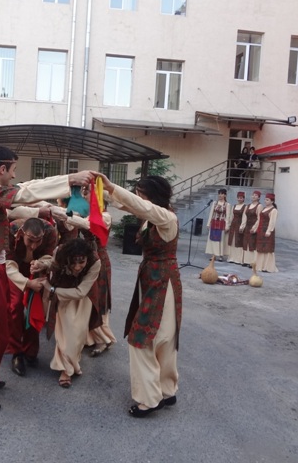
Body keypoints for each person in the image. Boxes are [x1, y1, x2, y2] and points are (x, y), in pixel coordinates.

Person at [0, 145, 93, 412]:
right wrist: (69, 180)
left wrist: (40, 212)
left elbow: (19, 199)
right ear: (2, 169)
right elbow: (26, 192)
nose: (13, 175)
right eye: (12, 170)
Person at [95, 173, 182, 418]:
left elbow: (139, 206)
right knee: (163, 336)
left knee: (142, 338)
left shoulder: (165, 216)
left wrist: (111, 186)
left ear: (152, 197)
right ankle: (166, 389)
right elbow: (130, 205)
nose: (137, 198)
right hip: (154, 279)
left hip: (162, 282)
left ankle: (150, 399)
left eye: (141, 194)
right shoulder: (153, 215)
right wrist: (101, 192)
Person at [62, 185, 116, 357]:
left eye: (87, 193)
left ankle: (103, 339)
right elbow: (72, 223)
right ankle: (90, 337)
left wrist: (65, 214)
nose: (84, 195)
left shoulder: (105, 216)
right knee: (88, 299)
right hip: (87, 260)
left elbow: (87, 224)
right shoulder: (86, 214)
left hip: (100, 259)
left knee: (99, 298)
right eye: (84, 192)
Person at [41, 238, 101, 388]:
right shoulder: (60, 253)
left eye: (82, 262)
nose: (77, 267)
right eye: (73, 263)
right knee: (66, 333)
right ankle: (66, 370)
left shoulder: (95, 262)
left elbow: (81, 292)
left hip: (84, 296)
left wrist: (51, 289)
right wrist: (41, 265)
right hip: (64, 292)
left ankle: (72, 360)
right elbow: (53, 264)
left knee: (78, 333)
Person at [6, 217, 57, 376]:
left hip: (37, 269)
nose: (34, 246)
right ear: (22, 234)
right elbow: (8, 264)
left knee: (35, 308)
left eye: (38, 241)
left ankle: (30, 350)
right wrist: (27, 283)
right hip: (14, 269)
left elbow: (50, 257)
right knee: (15, 306)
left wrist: (42, 264)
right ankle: (16, 352)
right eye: (30, 241)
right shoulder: (10, 230)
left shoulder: (50, 232)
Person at [204, 188, 231, 262]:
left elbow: (228, 216)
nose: (220, 195)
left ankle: (221, 255)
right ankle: (214, 255)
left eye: (222, 194)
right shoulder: (215, 203)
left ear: (225, 195)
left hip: (222, 223)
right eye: (219, 194)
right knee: (213, 239)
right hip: (214, 222)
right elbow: (211, 213)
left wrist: (227, 226)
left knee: (221, 240)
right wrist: (208, 223)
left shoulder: (227, 205)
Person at [254, 193, 279, 272]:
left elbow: (272, 222)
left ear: (272, 201)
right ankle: (259, 265)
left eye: (267, 200)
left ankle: (267, 267)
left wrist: (269, 231)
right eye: (265, 199)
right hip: (261, 230)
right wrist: (255, 228)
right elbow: (259, 220)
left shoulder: (274, 210)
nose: (265, 201)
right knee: (260, 248)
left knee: (267, 249)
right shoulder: (264, 209)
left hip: (267, 231)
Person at [240, 190, 262, 267]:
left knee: (252, 244)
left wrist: (254, 228)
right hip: (247, 226)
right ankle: (246, 260)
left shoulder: (259, 206)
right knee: (246, 243)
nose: (254, 196)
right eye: (253, 195)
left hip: (253, 226)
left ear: (259, 197)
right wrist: (242, 226)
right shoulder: (248, 206)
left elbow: (259, 218)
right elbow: (244, 217)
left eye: (256, 195)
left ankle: (252, 262)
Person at [227, 191, 246, 264]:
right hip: (233, 224)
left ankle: (238, 259)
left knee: (238, 241)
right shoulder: (234, 206)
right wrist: (229, 224)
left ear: (243, 198)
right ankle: (231, 258)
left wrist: (242, 226)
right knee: (232, 241)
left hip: (239, 224)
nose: (239, 199)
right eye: (238, 198)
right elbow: (231, 216)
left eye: (241, 198)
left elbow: (244, 217)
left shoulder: (245, 207)